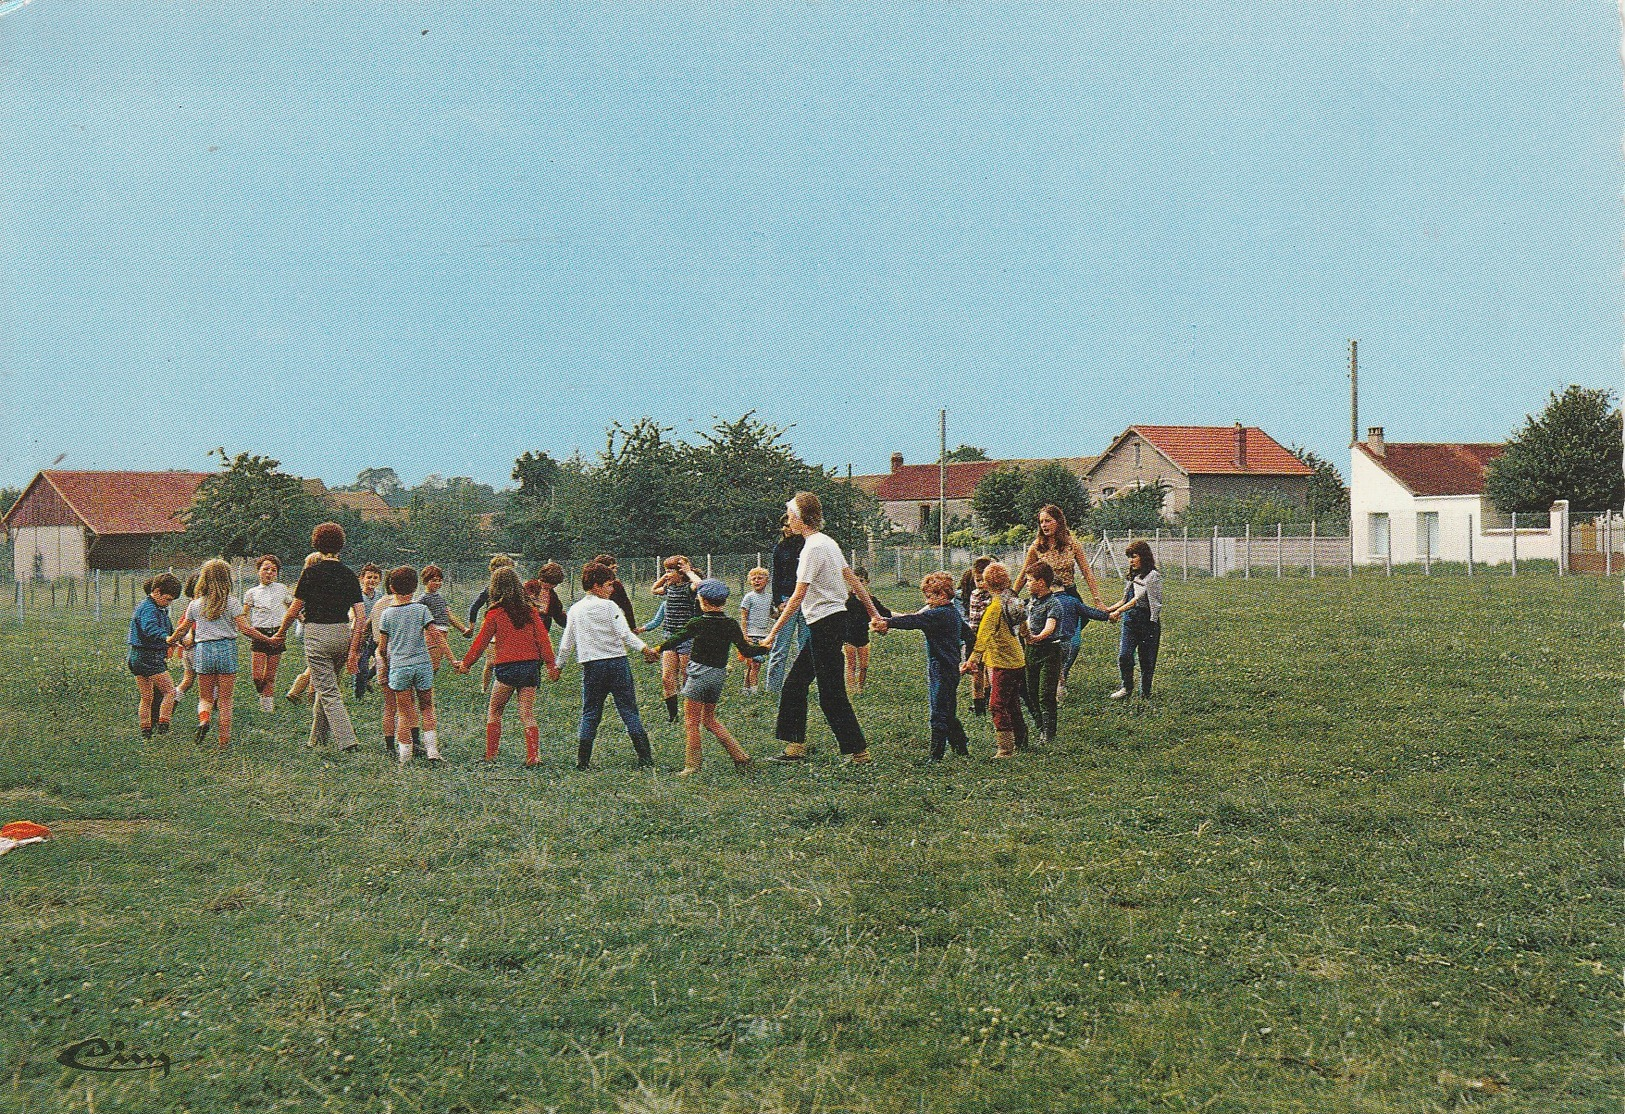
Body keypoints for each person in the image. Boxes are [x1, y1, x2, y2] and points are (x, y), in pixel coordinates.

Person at [762, 492, 881, 766]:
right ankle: (794, 749)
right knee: (795, 684)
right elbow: (853, 580)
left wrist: (772, 633)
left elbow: (797, 596)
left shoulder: (813, 548)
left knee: (831, 694)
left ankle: (859, 753)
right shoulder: (827, 542)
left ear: (801, 518)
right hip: (827, 623)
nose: (788, 519)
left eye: (791, 514)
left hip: (827, 623)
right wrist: (874, 614)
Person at [645, 578, 768, 776]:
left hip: (698, 676)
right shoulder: (731, 624)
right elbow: (746, 650)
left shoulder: (697, 623)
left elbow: (677, 638)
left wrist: (657, 649)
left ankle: (692, 766)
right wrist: (764, 647)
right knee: (710, 720)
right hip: (717, 676)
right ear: (724, 602)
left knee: (692, 723)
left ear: (701, 600)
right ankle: (741, 758)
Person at [271, 523, 368, 753]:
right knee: (328, 687)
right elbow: (361, 618)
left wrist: (281, 633)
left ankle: (348, 741)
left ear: (316, 544)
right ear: (340, 545)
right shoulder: (349, 575)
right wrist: (353, 651)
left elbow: (294, 610)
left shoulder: (310, 573)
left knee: (329, 692)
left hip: (317, 636)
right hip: (343, 634)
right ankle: (316, 740)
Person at [167, 558, 281, 748]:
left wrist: (170, 641)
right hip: (227, 650)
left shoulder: (195, 604)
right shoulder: (232, 603)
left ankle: (204, 720)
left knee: (205, 697)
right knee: (226, 699)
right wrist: (268, 640)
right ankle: (223, 742)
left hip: (203, 650)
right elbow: (246, 629)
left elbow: (181, 630)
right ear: (227, 578)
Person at [457, 566, 560, 766]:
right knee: (527, 713)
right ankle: (533, 756)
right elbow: (543, 640)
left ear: (495, 588)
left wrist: (466, 664)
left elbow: (481, 643)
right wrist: (551, 665)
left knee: (495, 710)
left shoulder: (495, 613)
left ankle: (491, 755)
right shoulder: (531, 611)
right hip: (530, 667)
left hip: (507, 669)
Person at [556, 562, 654, 770]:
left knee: (590, 712)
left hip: (592, 667)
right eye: (609, 585)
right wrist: (645, 650)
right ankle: (645, 759)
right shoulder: (610, 607)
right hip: (617, 663)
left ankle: (582, 762)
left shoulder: (575, 609)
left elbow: (567, 643)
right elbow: (625, 634)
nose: (612, 590)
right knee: (629, 711)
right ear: (596, 585)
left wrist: (558, 666)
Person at [870, 572, 969, 761]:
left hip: (942, 668)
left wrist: (888, 623)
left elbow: (914, 621)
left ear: (943, 594)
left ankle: (936, 756)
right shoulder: (953, 613)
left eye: (930, 596)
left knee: (938, 713)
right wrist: (969, 658)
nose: (927, 600)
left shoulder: (939, 614)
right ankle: (961, 746)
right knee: (948, 710)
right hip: (949, 667)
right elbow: (969, 635)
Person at [961, 561, 1026, 759]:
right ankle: (1022, 740)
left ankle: (1005, 749)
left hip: (1002, 663)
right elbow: (1023, 625)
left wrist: (971, 660)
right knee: (1012, 702)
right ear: (1006, 581)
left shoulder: (994, 609)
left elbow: (982, 638)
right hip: (1018, 660)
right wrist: (1030, 637)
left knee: (997, 705)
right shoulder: (1011, 601)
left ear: (987, 585)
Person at [377, 566, 441, 765]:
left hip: (399, 667)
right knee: (427, 708)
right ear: (415, 587)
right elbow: (436, 635)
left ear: (391, 588)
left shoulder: (386, 614)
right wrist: (450, 657)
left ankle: (405, 758)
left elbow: (381, 647)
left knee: (404, 712)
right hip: (422, 664)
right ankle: (432, 752)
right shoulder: (422, 609)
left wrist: (386, 663)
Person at [1105, 539, 1163, 700]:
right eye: (1129, 557)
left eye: (1134, 556)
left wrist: (1118, 612)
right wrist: (1106, 609)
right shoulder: (1132, 576)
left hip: (1148, 623)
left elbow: (1137, 600)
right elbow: (1124, 599)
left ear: (1143, 557)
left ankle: (1145, 693)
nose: (1131, 560)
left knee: (1147, 661)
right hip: (1130, 621)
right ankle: (1126, 687)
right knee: (1124, 656)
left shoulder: (1153, 576)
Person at [127, 572, 182, 738]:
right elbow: (150, 628)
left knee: (147, 697)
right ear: (156, 592)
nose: (168, 604)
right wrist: (166, 638)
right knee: (170, 692)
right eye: (168, 599)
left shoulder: (158, 608)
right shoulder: (149, 609)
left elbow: (169, 628)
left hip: (136, 657)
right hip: (148, 657)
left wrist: (177, 639)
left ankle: (146, 731)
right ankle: (164, 727)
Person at [651, 555, 703, 723]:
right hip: (669, 636)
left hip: (686, 637)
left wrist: (688, 572)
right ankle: (672, 716)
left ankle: (692, 712)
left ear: (680, 573)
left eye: (669, 571)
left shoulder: (688, 588)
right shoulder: (669, 587)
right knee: (667, 678)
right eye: (665, 571)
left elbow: (700, 585)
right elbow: (653, 590)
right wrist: (663, 578)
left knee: (686, 676)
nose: (666, 574)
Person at [1021, 564, 1069, 746]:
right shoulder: (1031, 602)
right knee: (1030, 692)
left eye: (1030, 580)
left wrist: (1037, 637)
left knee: (1045, 694)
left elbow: (1050, 626)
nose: (1027, 583)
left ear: (1041, 582)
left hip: (1049, 651)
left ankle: (1049, 734)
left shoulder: (1054, 603)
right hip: (1031, 651)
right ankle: (1040, 726)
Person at [242, 555, 294, 714]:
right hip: (259, 633)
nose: (270, 573)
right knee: (258, 676)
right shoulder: (252, 592)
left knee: (270, 676)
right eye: (266, 569)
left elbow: (291, 607)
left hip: (277, 633)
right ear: (258, 571)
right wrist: (246, 627)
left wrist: (302, 618)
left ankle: (267, 709)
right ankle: (261, 693)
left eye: (274, 570)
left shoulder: (282, 589)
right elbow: (244, 614)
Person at [762, 520, 808, 695]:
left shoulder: (807, 546)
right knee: (780, 647)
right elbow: (777, 577)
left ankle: (799, 687)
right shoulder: (779, 549)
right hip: (786, 600)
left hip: (806, 600)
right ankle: (772, 689)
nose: (785, 529)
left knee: (805, 646)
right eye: (783, 525)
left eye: (789, 525)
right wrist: (777, 601)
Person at [467, 555, 517, 696]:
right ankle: (484, 689)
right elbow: (475, 607)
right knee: (491, 662)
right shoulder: (489, 590)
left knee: (509, 660)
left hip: (510, 628)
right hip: (493, 628)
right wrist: (472, 626)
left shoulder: (515, 591)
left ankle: (506, 689)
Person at [842, 567, 890, 693]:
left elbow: (886, 613)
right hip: (848, 637)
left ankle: (860, 689)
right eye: (855, 581)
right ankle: (852, 690)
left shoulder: (871, 600)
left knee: (864, 666)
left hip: (863, 636)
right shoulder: (847, 600)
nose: (858, 584)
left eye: (861, 581)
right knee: (851, 665)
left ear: (867, 582)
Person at [283, 552, 323, 703]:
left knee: (315, 662)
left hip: (303, 627)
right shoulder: (319, 586)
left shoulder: (303, 584)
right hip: (313, 627)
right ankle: (299, 691)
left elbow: (296, 607)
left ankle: (309, 694)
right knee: (319, 663)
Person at [416, 564, 470, 672]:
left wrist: (463, 629)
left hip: (443, 632)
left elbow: (449, 615)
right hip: (432, 632)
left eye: (440, 580)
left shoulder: (440, 598)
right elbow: (415, 615)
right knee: (432, 666)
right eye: (434, 580)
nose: (437, 583)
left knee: (436, 665)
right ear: (425, 581)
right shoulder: (423, 598)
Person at [959, 557, 994, 716]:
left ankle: (990, 699)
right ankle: (978, 706)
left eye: (983, 580)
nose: (980, 584)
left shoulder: (995, 596)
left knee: (990, 670)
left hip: (991, 638)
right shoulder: (974, 594)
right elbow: (972, 620)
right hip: (974, 637)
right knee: (976, 673)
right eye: (977, 580)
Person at [738, 567, 774, 694]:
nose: (757, 581)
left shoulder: (770, 597)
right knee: (754, 664)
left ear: (767, 580)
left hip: (764, 636)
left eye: (760, 578)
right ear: (750, 581)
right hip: (751, 635)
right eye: (754, 579)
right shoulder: (749, 597)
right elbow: (743, 617)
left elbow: (772, 614)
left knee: (755, 664)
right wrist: (744, 634)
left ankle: (746, 688)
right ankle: (753, 690)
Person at [354, 563, 384, 700]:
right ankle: (359, 696)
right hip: (362, 635)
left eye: (375, 577)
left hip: (377, 634)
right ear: (362, 579)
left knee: (383, 661)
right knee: (362, 665)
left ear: (380, 580)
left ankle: (368, 678)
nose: (372, 580)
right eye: (369, 577)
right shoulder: (356, 596)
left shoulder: (381, 597)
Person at [533, 562, 569, 631]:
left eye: (554, 585)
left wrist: (572, 624)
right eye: (549, 583)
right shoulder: (529, 587)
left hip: (543, 631)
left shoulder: (553, 596)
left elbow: (559, 615)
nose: (552, 586)